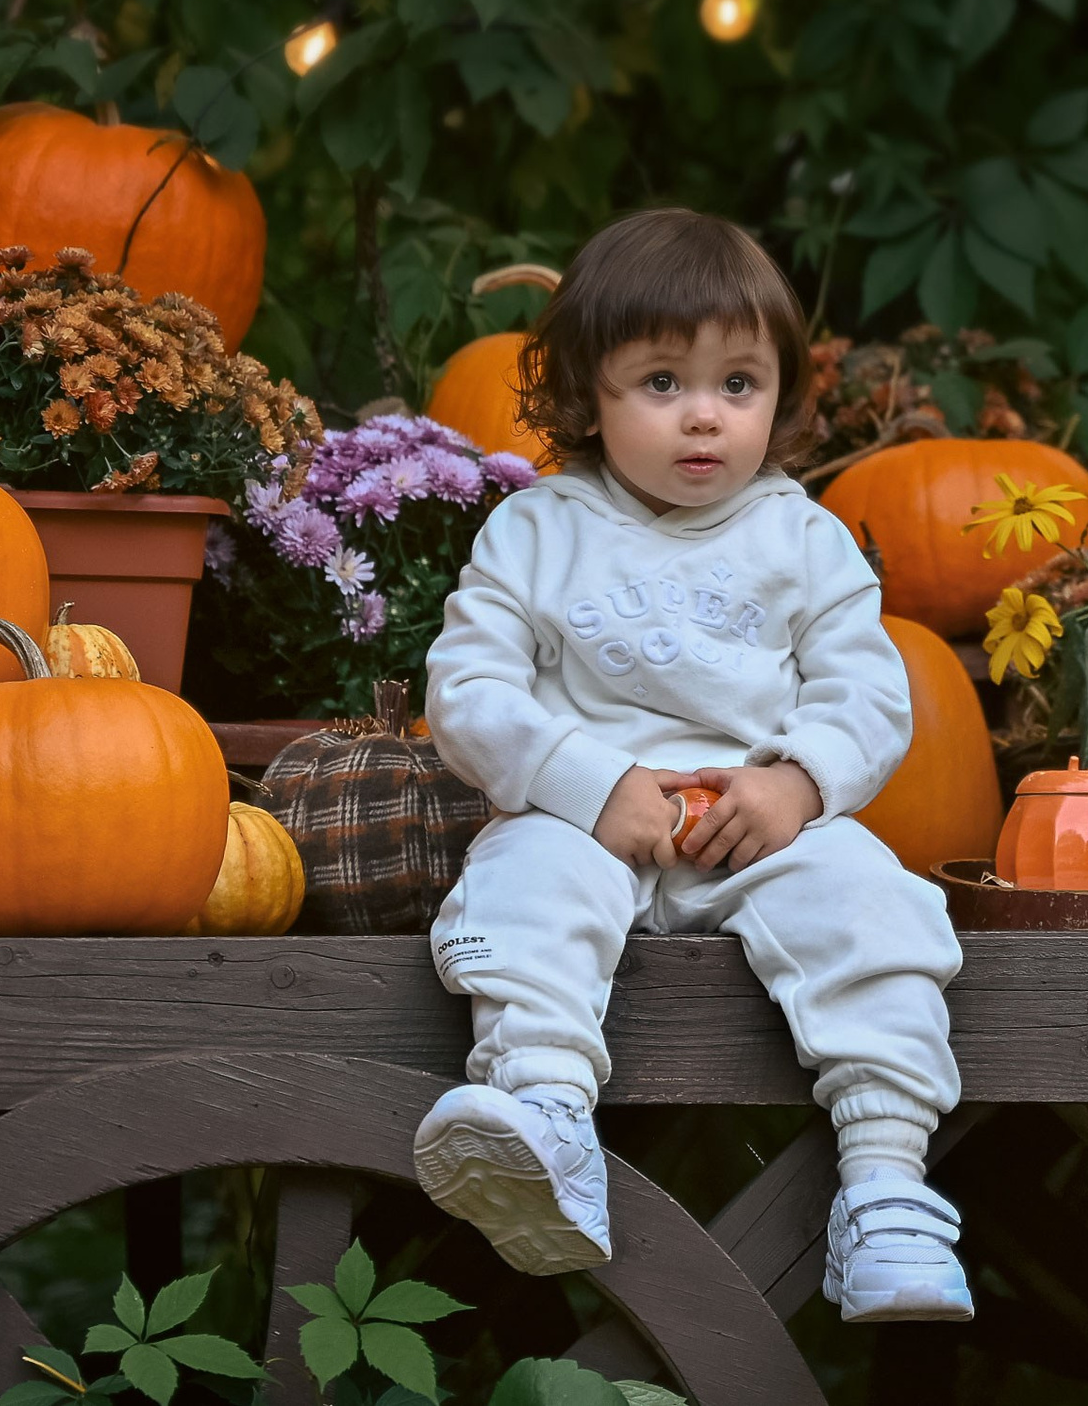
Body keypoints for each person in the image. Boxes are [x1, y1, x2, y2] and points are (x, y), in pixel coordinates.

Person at [414, 206, 972, 1322]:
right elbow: (467, 694)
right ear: (588, 397)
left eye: (739, 382)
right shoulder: (535, 531)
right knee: (521, 883)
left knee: (875, 906)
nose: (705, 413)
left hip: (756, 827)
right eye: (662, 382)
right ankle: (546, 1116)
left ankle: (886, 1181)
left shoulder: (803, 538)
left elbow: (868, 696)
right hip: (587, 824)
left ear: (780, 394)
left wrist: (797, 784)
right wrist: (584, 784)